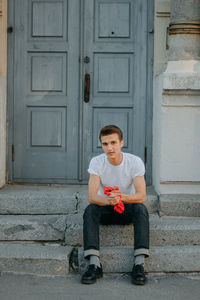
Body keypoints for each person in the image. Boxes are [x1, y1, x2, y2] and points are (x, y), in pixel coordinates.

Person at [81, 125, 149, 285]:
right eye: (105, 144)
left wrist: (122, 198)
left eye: (113, 142)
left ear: (121, 143)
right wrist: (109, 201)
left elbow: (142, 196)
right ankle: (94, 265)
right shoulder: (97, 162)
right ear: (101, 144)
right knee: (90, 210)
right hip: (107, 207)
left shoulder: (134, 162)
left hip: (126, 207)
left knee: (141, 208)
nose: (109, 148)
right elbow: (92, 196)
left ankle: (139, 264)